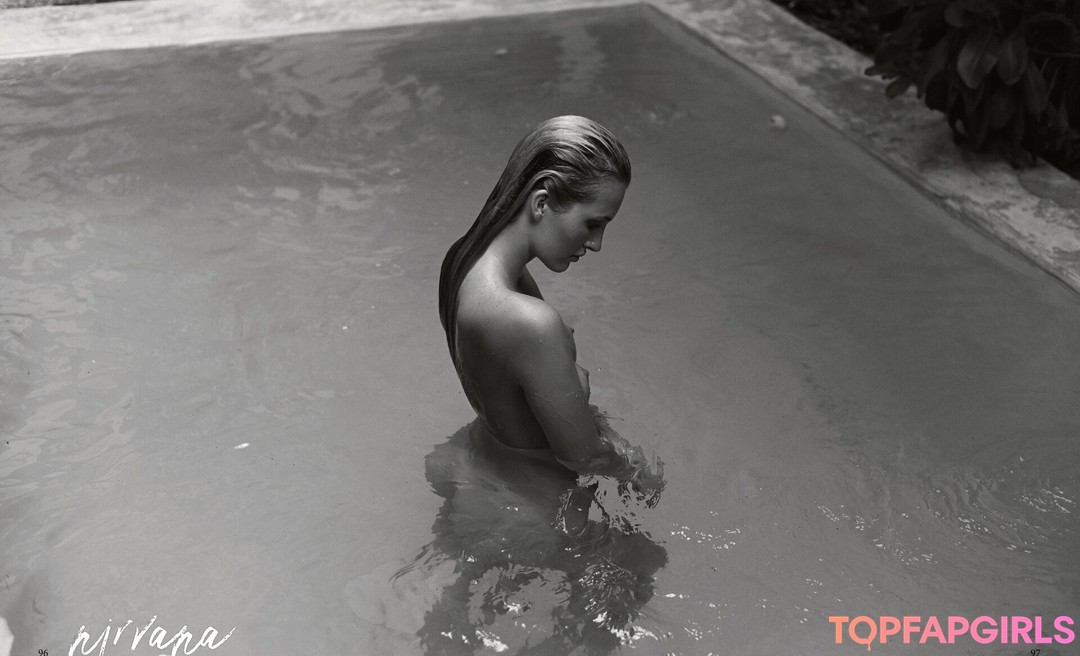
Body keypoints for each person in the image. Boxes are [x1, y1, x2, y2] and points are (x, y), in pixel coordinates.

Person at [438, 115, 662, 489]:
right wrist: (640, 472)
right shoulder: (530, 322)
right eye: (593, 224)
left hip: (478, 460)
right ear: (541, 203)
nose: (597, 244)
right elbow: (584, 457)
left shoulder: (461, 260)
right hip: (527, 501)